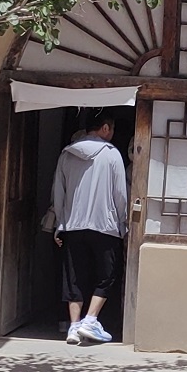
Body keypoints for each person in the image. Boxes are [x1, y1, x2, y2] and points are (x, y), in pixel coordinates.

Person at [52, 110, 128, 345]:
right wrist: (122, 222)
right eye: (111, 129)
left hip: (73, 225)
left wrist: (60, 223)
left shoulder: (67, 154)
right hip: (104, 225)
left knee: (73, 276)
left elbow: (58, 192)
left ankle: (74, 326)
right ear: (105, 128)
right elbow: (120, 194)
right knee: (107, 275)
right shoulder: (112, 154)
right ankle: (91, 320)